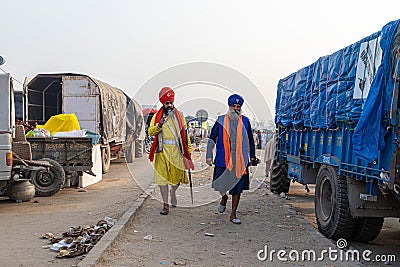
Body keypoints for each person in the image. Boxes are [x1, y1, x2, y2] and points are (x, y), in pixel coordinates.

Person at [206, 94, 256, 224]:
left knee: (237, 188)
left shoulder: (245, 121)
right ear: (229, 106)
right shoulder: (221, 120)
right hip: (223, 159)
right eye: (234, 106)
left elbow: (250, 140)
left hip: (240, 160)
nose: (236, 108)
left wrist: (252, 156)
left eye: (238, 107)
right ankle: (223, 197)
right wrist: (209, 155)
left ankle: (233, 214)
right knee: (221, 185)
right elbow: (212, 138)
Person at [148, 87, 194, 215]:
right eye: (167, 103)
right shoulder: (157, 116)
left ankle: (173, 192)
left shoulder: (180, 116)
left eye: (171, 103)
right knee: (162, 179)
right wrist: (159, 125)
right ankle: (165, 204)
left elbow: (185, 136)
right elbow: (150, 132)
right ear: (163, 103)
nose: (169, 105)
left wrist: (188, 153)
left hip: (176, 152)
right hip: (161, 152)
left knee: (177, 178)